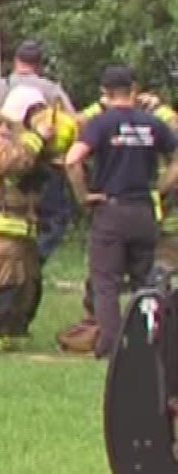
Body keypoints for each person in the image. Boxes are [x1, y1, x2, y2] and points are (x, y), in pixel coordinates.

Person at [63, 64, 178, 359]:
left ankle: (111, 348)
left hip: (112, 211)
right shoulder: (152, 123)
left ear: (104, 93)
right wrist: (161, 188)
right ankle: (154, 344)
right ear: (134, 90)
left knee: (106, 284)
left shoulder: (101, 124)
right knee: (146, 284)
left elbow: (71, 160)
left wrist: (84, 196)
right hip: (144, 212)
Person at [0, 87, 68, 355]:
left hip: (21, 227)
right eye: (35, 114)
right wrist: (36, 138)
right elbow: (7, 163)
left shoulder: (25, 141)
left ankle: (11, 338)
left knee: (26, 287)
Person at [0, 42, 77, 262]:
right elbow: (72, 126)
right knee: (54, 218)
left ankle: (19, 259)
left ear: (16, 62)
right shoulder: (51, 90)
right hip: (41, 169)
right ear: (40, 65)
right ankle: (33, 259)